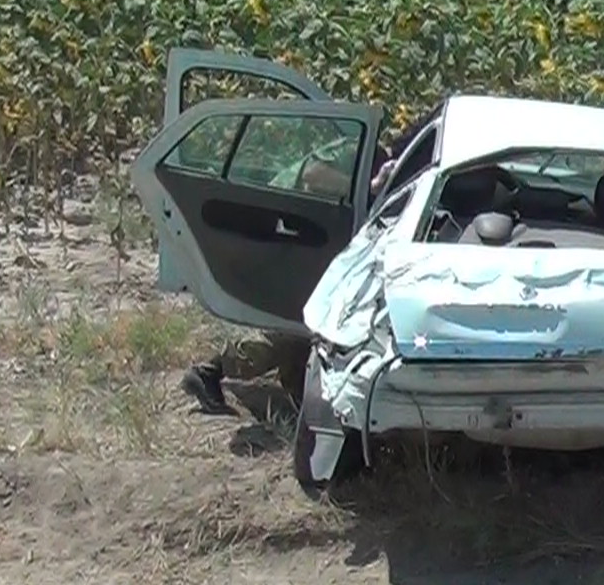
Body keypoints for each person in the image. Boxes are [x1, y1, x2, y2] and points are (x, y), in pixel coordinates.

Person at [181, 108, 435, 416]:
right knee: (294, 322)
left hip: (308, 236)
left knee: (305, 328)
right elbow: (314, 175)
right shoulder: (362, 150)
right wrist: (372, 187)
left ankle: (291, 385)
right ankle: (210, 370)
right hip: (283, 228)